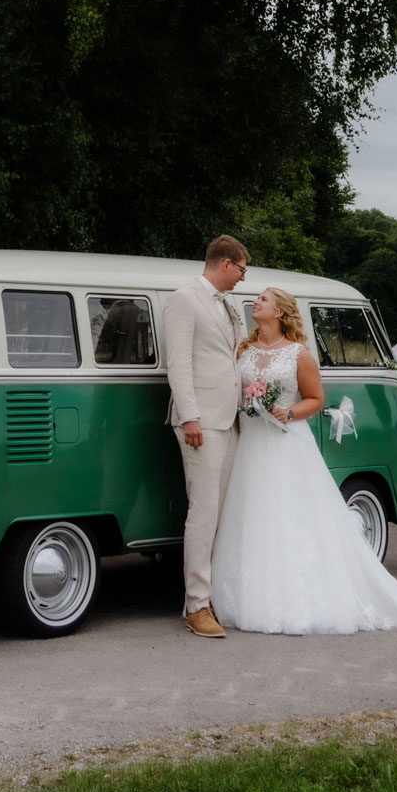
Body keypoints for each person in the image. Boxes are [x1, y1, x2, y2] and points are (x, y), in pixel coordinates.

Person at [210, 287, 397, 639]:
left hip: (284, 442)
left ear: (279, 313)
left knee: (288, 515)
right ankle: (246, 596)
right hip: (252, 443)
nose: (256, 303)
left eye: (263, 299)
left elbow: (315, 399)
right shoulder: (244, 350)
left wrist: (288, 411)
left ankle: (289, 597)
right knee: (252, 515)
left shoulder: (298, 355)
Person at [163, 235, 249, 637]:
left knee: (221, 511)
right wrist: (190, 416)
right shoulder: (185, 299)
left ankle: (212, 596)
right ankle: (196, 605)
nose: (242, 279)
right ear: (226, 263)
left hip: (229, 420)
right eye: (242, 270)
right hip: (201, 423)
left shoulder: (226, 306)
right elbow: (178, 365)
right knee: (203, 511)